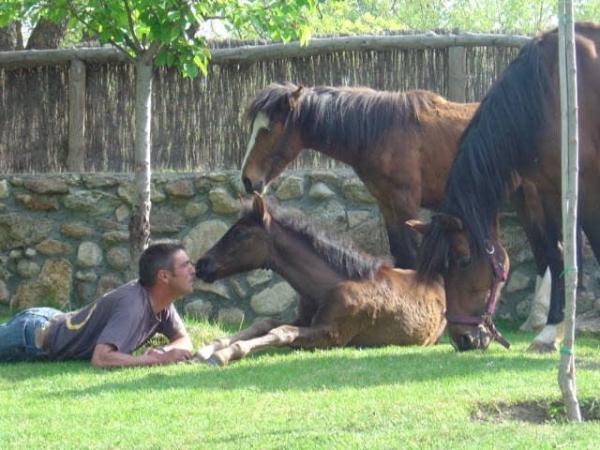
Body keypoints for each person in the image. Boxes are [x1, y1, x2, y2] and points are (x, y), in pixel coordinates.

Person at [0, 241, 195, 368]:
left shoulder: (162, 303)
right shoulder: (133, 306)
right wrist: (157, 359)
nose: (193, 270)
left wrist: (163, 351)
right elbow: (101, 359)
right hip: (33, 337)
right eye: (186, 265)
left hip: (52, 319)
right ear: (164, 276)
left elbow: (183, 340)